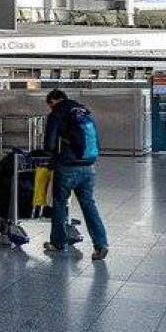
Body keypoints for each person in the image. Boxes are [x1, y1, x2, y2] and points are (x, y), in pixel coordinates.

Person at [43, 89, 108, 259]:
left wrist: (50, 158)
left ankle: (58, 243)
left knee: (59, 204)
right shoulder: (83, 111)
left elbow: (49, 145)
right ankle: (101, 244)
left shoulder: (57, 113)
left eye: (50, 105)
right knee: (89, 204)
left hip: (67, 167)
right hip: (88, 165)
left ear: (53, 101)